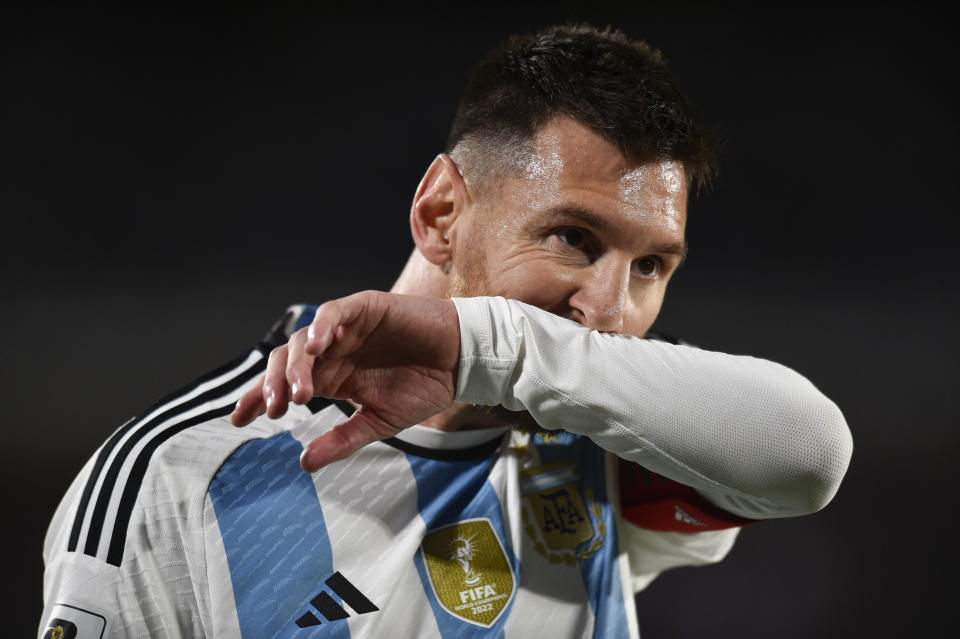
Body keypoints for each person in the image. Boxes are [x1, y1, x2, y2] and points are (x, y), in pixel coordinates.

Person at [39, 24, 853, 639]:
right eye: (574, 238)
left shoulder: (606, 419)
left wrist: (488, 350)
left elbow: (811, 452)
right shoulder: (173, 480)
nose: (607, 311)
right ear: (440, 214)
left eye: (650, 267)